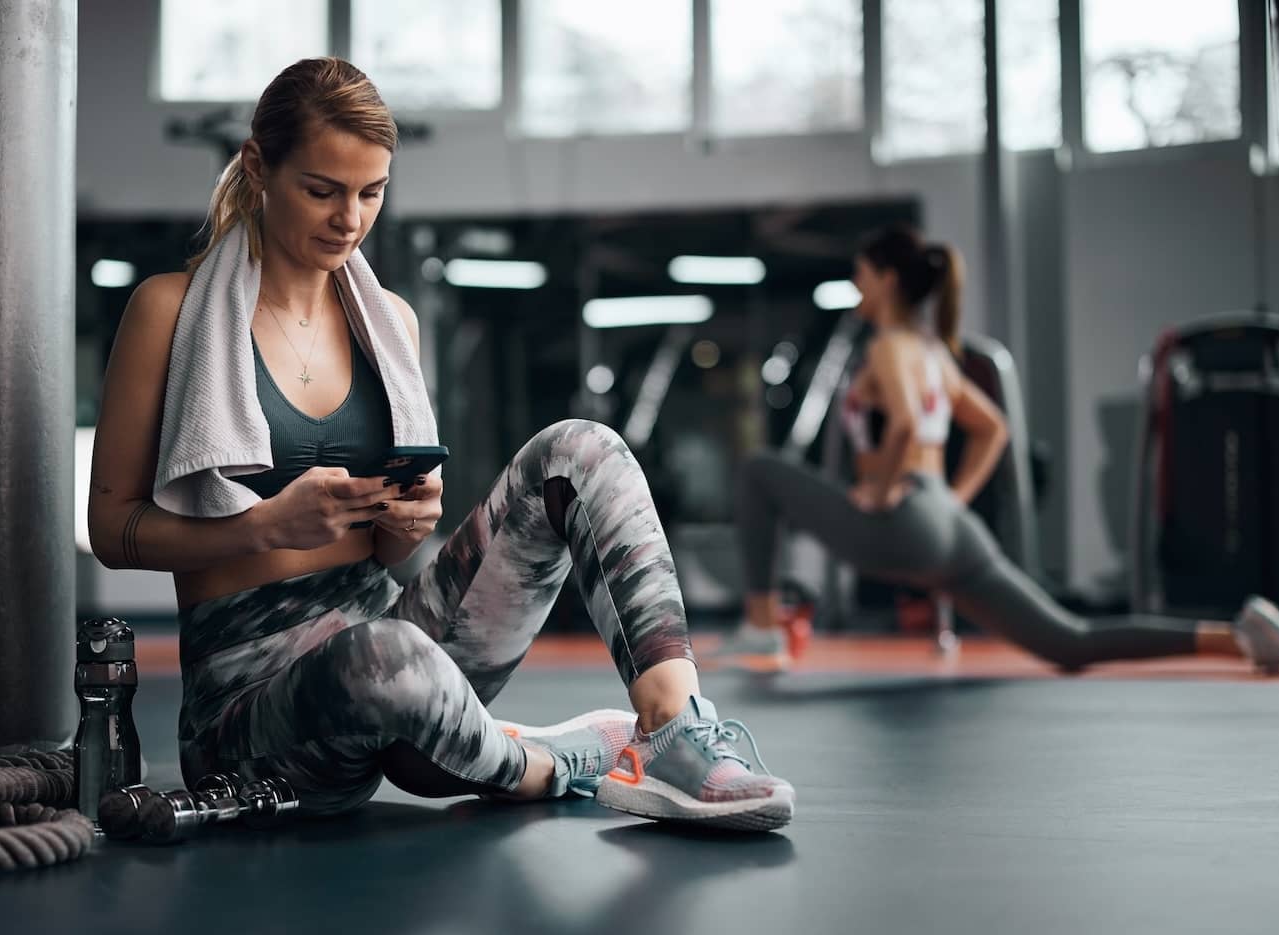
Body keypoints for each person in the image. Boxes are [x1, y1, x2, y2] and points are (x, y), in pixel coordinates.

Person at [86, 57, 792, 832]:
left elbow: (389, 565)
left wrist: (406, 529)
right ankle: (549, 764)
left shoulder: (388, 320)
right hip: (258, 717)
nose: (348, 219)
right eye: (321, 190)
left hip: (397, 645)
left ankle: (672, 733)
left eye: (370, 192)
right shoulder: (169, 311)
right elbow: (111, 529)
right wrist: (259, 529)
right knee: (385, 656)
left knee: (581, 449)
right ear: (258, 166)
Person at [719, 225, 1279, 675]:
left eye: (862, 274)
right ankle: (1239, 635)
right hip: (950, 526)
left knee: (760, 471)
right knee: (1070, 642)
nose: (856, 283)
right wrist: (952, 498)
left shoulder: (890, 347)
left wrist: (878, 486)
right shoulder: (935, 353)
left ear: (888, 280)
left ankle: (763, 626)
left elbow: (901, 420)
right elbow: (993, 427)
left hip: (900, 524)